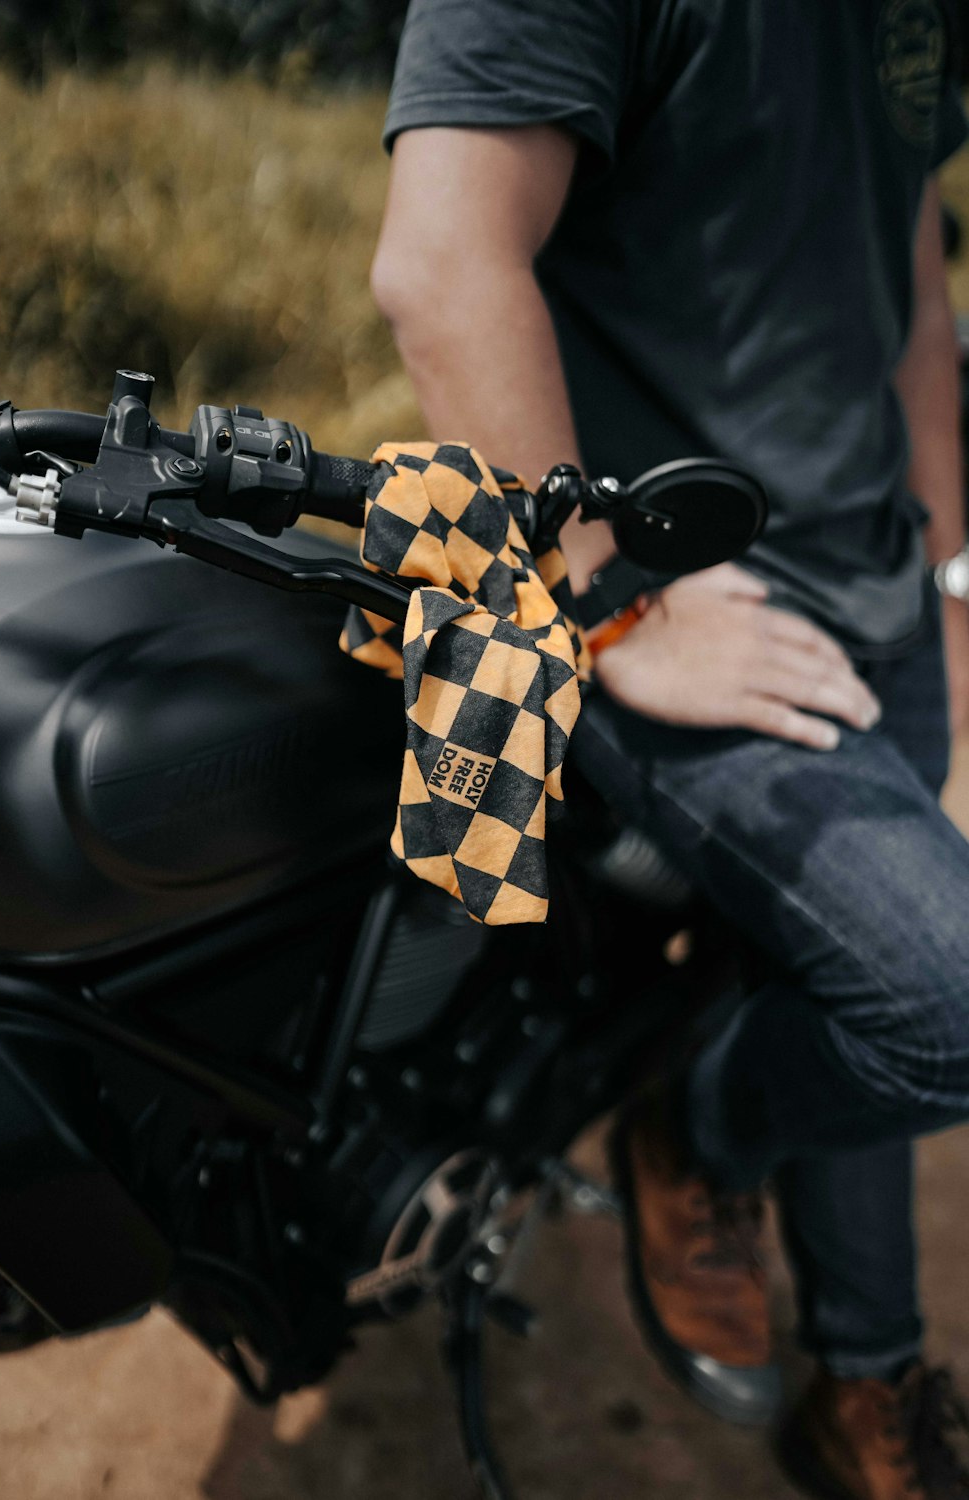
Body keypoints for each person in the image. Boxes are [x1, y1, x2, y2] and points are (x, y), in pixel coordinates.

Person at [371, 3, 969, 1496]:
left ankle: (870, 1380)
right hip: (682, 606)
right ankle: (699, 1134)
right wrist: (611, 603)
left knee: (844, 972)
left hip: (882, 594)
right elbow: (443, 266)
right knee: (944, 1004)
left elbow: (899, 254)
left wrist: (952, 573)